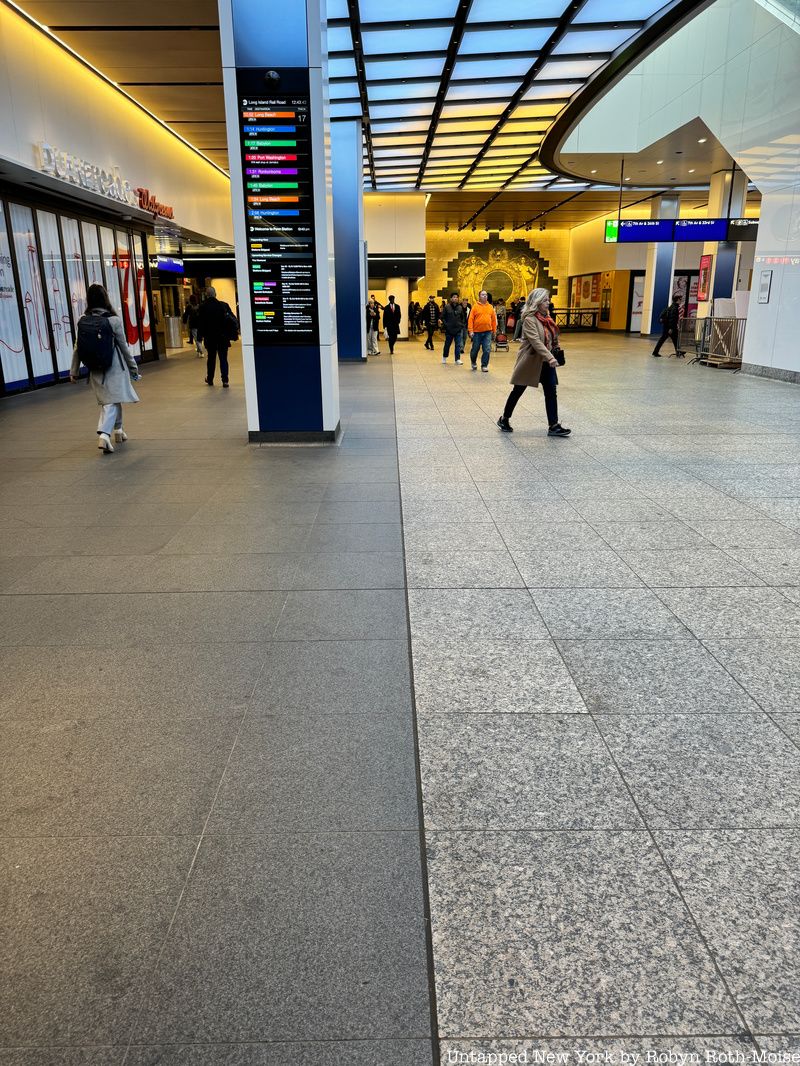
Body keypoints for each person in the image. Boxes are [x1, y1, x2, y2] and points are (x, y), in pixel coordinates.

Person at [69, 283, 141, 453]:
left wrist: (74, 371)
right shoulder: (113, 320)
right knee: (111, 402)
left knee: (113, 398)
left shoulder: (82, 320)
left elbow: (77, 348)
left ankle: (119, 430)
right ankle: (104, 435)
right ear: (105, 298)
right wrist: (133, 368)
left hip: (95, 369)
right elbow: (124, 347)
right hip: (114, 368)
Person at [497, 287, 571, 438]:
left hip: (546, 362)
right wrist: (550, 357)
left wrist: (556, 347)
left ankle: (554, 426)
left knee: (551, 392)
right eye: (545, 300)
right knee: (518, 390)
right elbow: (536, 342)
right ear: (536, 302)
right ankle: (504, 419)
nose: (548, 302)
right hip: (530, 362)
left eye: (548, 299)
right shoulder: (529, 320)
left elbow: (552, 336)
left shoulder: (548, 318)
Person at [197, 285, 236, 387]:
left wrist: (199, 338)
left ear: (206, 295)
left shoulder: (203, 307)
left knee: (211, 359)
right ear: (215, 294)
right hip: (223, 337)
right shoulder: (223, 305)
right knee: (223, 358)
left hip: (210, 338)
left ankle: (210, 379)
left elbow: (200, 324)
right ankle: (225, 380)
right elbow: (232, 319)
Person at [468, 290, 497, 372]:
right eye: (483, 295)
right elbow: (470, 319)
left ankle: (484, 365)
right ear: (479, 297)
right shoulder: (475, 306)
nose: (485, 296)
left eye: (486, 295)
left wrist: (494, 331)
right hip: (477, 332)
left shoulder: (490, 307)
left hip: (488, 331)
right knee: (475, 349)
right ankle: (473, 362)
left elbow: (493, 320)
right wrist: (471, 330)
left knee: (487, 349)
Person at [441, 292, 466, 364]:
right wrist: (446, 325)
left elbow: (463, 318)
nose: (455, 298)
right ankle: (444, 357)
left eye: (456, 297)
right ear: (451, 298)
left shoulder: (460, 307)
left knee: (458, 345)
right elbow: (442, 317)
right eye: (454, 297)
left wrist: (461, 325)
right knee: (447, 344)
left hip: (458, 330)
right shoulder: (447, 307)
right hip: (449, 330)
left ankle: (457, 359)